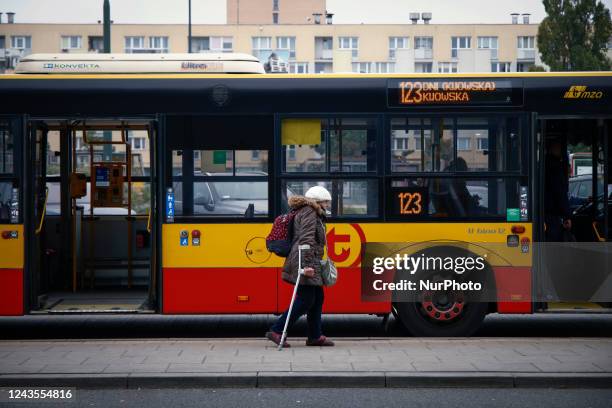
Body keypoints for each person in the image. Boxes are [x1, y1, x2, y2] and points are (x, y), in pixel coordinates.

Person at [266, 185, 335, 347]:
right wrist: (306, 266)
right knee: (305, 300)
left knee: (317, 298)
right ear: (318, 201)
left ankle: (315, 336)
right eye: (326, 202)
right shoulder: (310, 213)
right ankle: (277, 330)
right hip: (305, 260)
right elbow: (306, 240)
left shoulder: (307, 211)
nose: (327, 206)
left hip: (309, 259)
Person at [544, 139, 572, 241]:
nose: (561, 151)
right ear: (553, 149)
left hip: (545, 212)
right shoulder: (555, 167)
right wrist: (566, 216)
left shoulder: (543, 164)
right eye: (559, 148)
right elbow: (560, 193)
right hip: (552, 215)